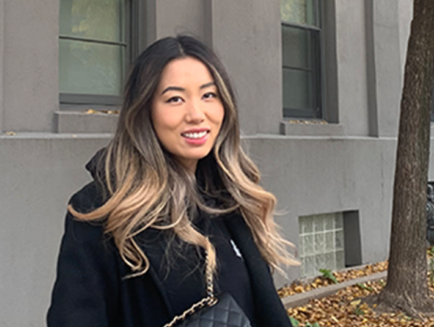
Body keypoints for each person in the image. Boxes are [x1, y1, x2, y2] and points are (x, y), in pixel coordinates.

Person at [47, 35, 295, 327]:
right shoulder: (101, 210)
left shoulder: (230, 199)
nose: (196, 114)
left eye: (208, 95)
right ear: (145, 111)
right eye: (175, 99)